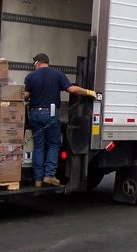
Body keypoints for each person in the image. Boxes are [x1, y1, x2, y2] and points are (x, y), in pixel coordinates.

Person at [24, 53, 97, 187]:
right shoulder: (58, 75)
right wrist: (88, 92)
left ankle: (38, 179)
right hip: (50, 114)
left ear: (38, 63)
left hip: (34, 114)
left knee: (39, 146)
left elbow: (26, 95)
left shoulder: (30, 76)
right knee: (53, 144)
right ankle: (49, 175)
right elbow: (71, 89)